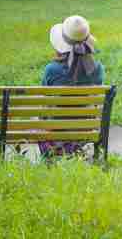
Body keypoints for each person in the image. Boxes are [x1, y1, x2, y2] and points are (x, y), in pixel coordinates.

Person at [39, 15, 105, 159]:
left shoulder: (52, 70)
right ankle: (76, 151)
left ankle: (53, 156)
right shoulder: (97, 69)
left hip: (54, 136)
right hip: (86, 134)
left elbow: (43, 104)